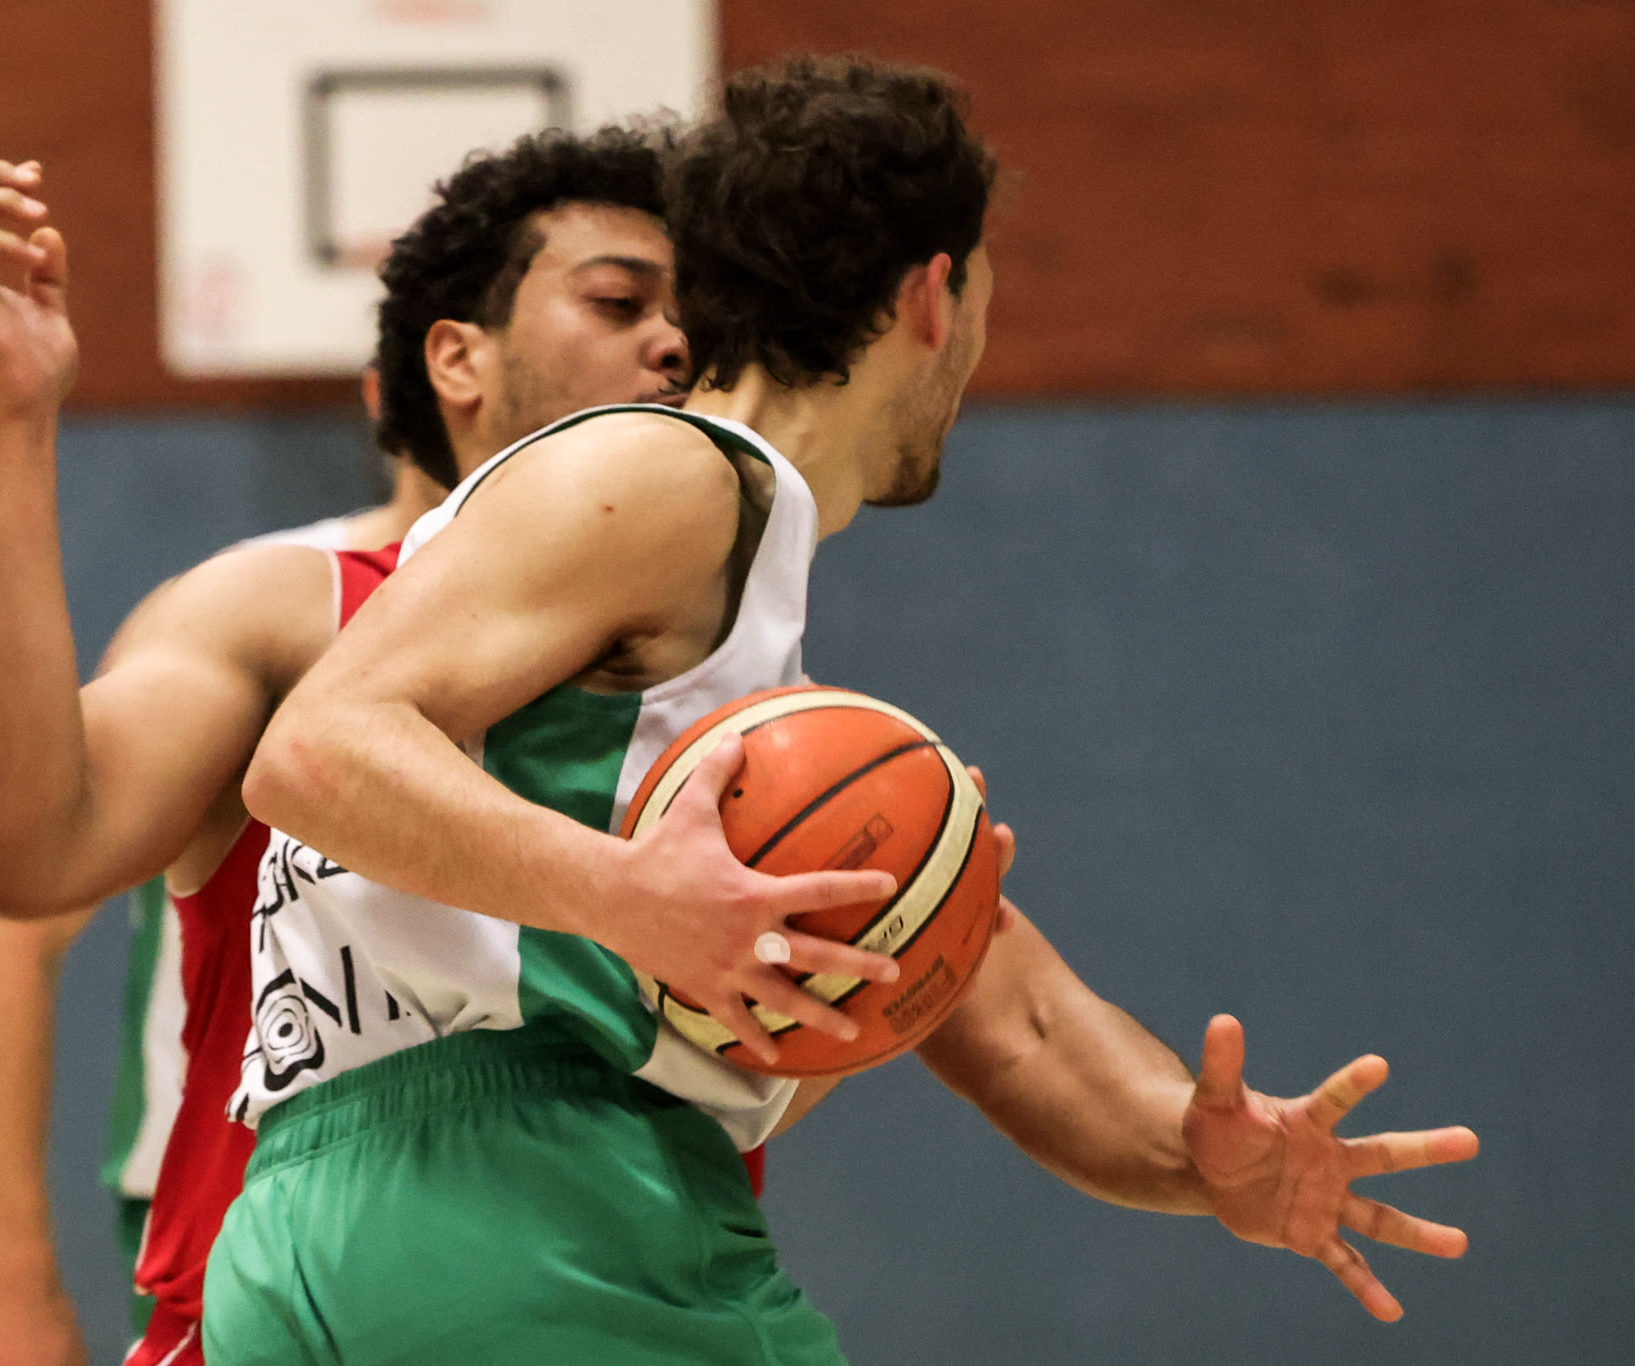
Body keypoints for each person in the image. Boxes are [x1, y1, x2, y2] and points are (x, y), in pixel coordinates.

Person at [218, 55, 1478, 1365]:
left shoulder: (738, 712)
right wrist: (625, 895)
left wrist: (1199, 1156)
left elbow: (1015, 1017)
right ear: (934, 294)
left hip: (317, 1236)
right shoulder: (680, 477)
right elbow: (315, 750)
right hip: (542, 1211)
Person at [0, 125, 702, 1366]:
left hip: (610, 1307)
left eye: (693, 321)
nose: (673, 344)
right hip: (269, 1279)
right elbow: (17, 866)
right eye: (619, 302)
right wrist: (12, 420)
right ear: (452, 359)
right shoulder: (280, 611)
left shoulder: (717, 672)